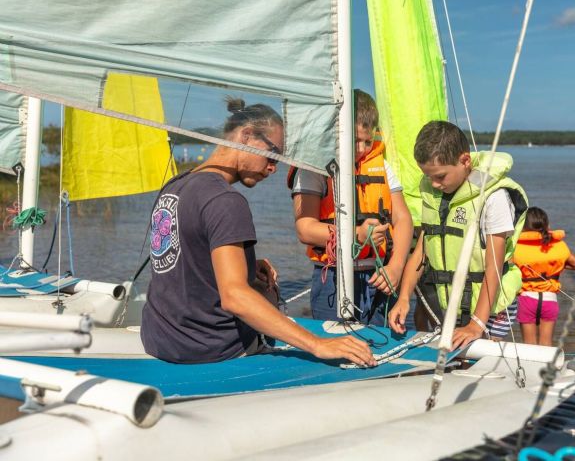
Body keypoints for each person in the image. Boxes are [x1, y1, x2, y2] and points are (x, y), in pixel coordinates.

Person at [141, 97, 374, 367]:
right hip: (210, 349)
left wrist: (247, 262)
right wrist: (318, 345)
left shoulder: (175, 186)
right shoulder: (225, 200)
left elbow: (186, 257)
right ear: (247, 136)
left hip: (160, 340)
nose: (274, 168)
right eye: (272, 155)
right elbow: (235, 297)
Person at [388, 121, 528, 349]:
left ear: (464, 161)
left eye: (440, 176)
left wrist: (477, 323)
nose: (434, 183)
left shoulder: (494, 198)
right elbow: (421, 252)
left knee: (475, 366)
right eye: (428, 176)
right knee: (453, 363)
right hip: (454, 304)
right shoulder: (435, 195)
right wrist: (403, 298)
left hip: (491, 310)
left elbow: (493, 268)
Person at [288, 89, 413, 325]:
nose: (362, 149)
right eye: (355, 141)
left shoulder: (381, 166)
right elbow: (305, 229)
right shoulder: (313, 169)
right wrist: (356, 235)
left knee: (377, 346)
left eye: (368, 141)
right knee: (335, 348)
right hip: (332, 278)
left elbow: (404, 219)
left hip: (377, 275)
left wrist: (396, 267)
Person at [513, 207, 575, 346]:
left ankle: (530, 368)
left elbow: (507, 267)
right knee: (546, 344)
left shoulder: (517, 247)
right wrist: (558, 266)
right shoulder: (557, 245)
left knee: (529, 345)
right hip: (549, 300)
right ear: (547, 225)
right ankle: (547, 368)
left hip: (527, 299)